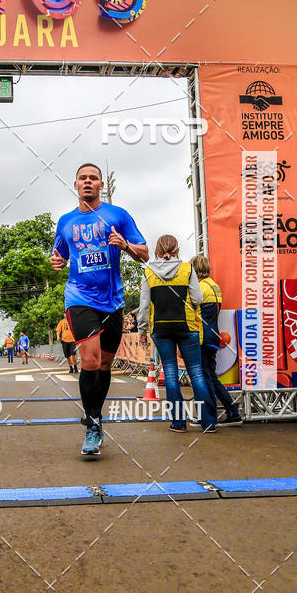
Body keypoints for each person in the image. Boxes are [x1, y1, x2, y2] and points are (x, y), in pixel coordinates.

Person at [52, 162, 148, 456]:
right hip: (79, 298)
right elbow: (59, 257)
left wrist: (125, 245)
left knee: (105, 365)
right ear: (76, 185)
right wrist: (57, 263)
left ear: (101, 185)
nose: (88, 182)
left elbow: (144, 253)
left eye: (93, 178)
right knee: (90, 361)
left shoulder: (117, 215)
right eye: (83, 178)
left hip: (113, 301)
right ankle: (92, 424)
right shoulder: (66, 222)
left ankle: (96, 417)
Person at [138, 235, 216, 433]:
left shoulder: (149, 272)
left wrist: (142, 332)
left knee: (170, 374)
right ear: (177, 250)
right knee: (196, 373)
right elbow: (198, 298)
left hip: (161, 330)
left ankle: (179, 423)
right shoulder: (187, 269)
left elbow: (144, 306)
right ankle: (208, 422)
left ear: (157, 250)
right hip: (187, 327)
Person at [191, 254, 242, 426]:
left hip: (202, 337)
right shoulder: (215, 286)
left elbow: (192, 315)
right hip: (214, 335)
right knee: (211, 377)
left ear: (195, 269)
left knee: (204, 378)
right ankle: (233, 412)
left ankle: (208, 416)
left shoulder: (199, 288)